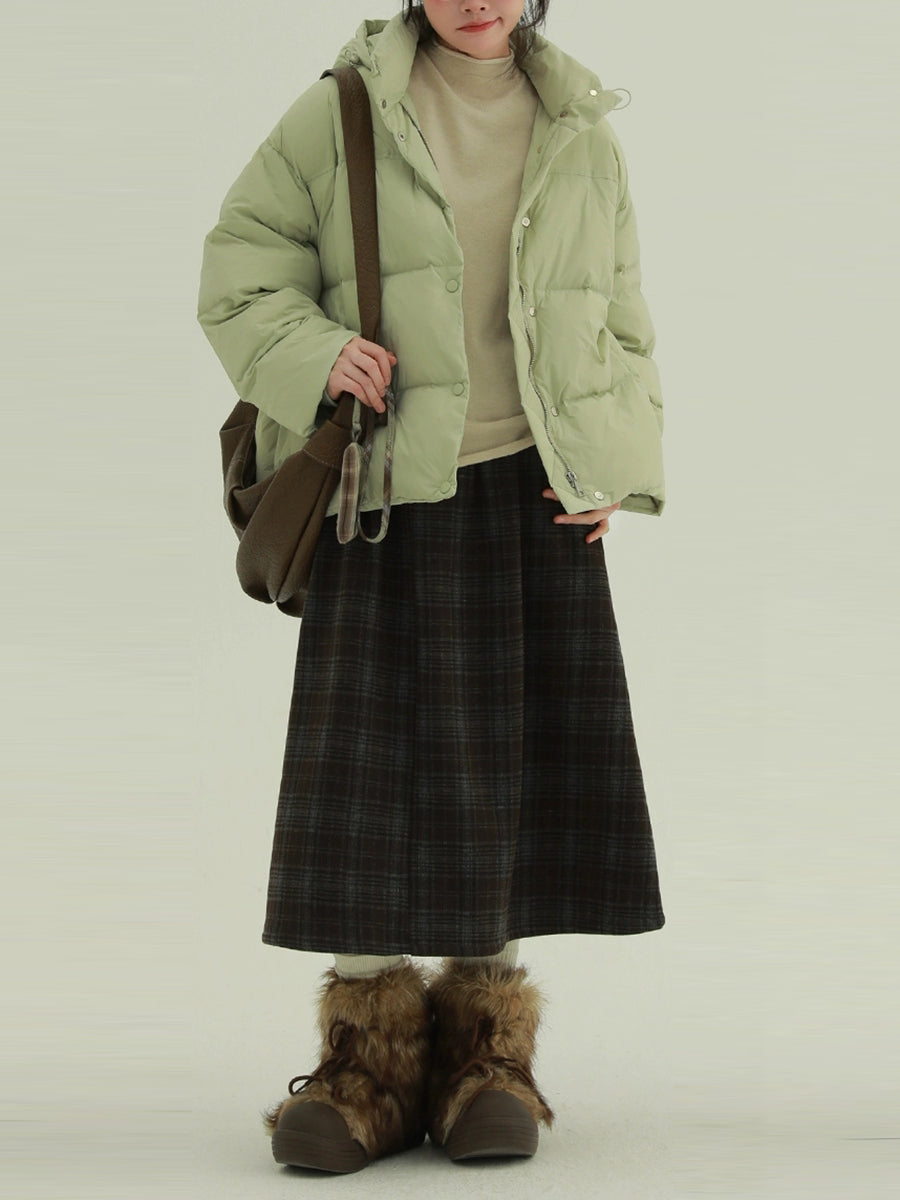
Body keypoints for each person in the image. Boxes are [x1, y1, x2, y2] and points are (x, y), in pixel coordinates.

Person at [196, 0, 666, 1175]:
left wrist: (610, 466)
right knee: (369, 771)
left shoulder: (581, 127)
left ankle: (485, 1058)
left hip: (531, 489)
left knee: (505, 767)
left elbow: (617, 315)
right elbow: (239, 275)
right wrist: (318, 355)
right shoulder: (343, 111)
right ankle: (364, 1065)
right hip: (385, 485)